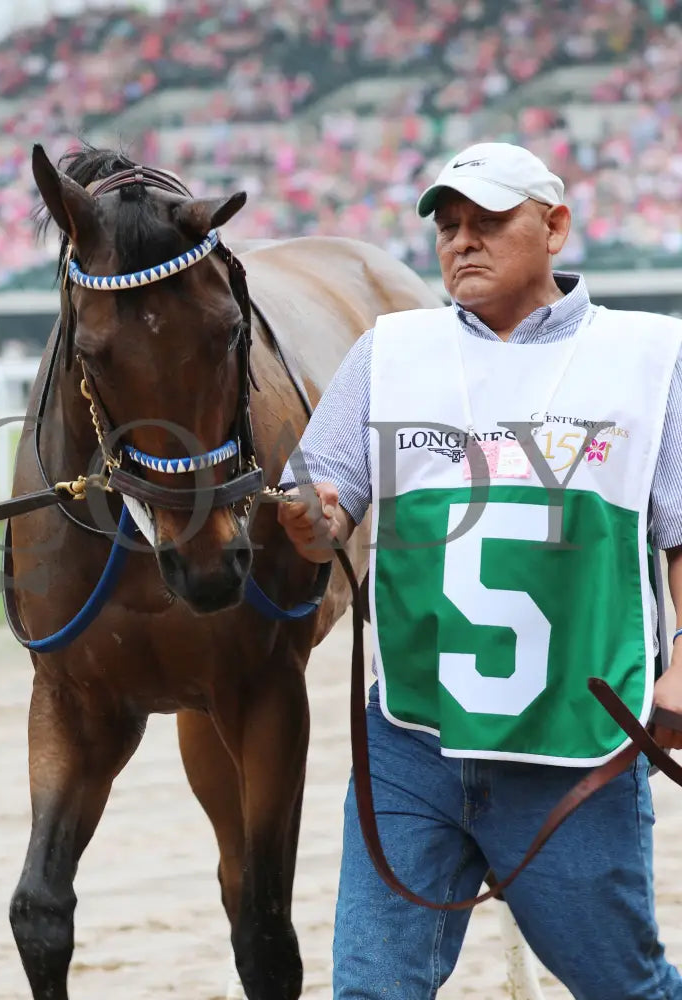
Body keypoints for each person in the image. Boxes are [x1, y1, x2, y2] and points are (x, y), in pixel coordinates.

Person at [276, 141, 682, 999]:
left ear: (556, 226)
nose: (463, 241)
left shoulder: (653, 358)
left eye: (489, 221)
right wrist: (305, 518)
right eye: (449, 226)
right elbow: (324, 510)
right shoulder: (387, 352)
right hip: (411, 738)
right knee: (373, 990)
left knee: (624, 988)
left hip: (578, 741)